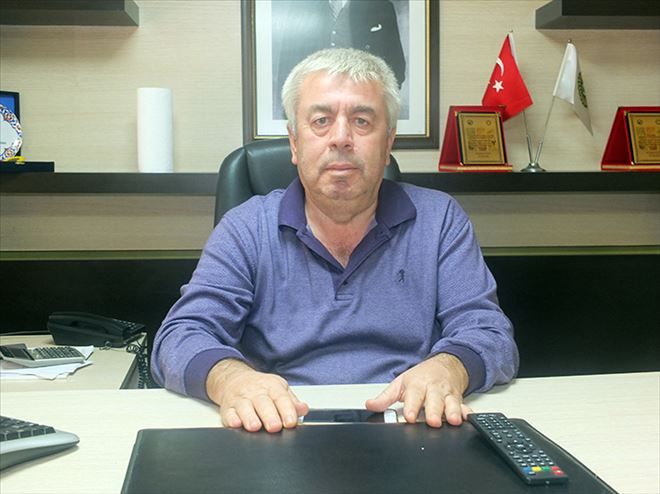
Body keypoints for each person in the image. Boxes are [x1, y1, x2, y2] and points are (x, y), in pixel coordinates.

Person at [151, 48, 518, 434]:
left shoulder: (440, 219)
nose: (341, 138)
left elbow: (490, 333)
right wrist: (232, 380)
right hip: (280, 425)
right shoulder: (245, 227)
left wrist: (450, 368)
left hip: (410, 422)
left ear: (388, 142)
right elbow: (180, 336)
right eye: (321, 121)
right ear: (295, 143)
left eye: (362, 121)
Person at [272, 0, 406, 118]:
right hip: (315, 100)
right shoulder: (301, 6)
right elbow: (287, 61)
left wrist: (378, 101)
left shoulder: (381, 6)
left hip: (362, 102)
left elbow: (396, 63)